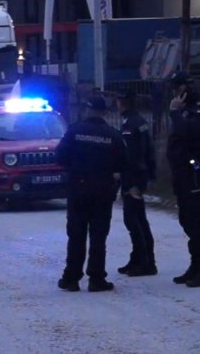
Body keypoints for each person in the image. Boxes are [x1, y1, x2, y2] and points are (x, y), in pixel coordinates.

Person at [56, 94, 127, 292]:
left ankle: (71, 278)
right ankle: (96, 279)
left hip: (78, 190)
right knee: (98, 236)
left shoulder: (74, 131)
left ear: (87, 110)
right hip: (103, 191)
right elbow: (124, 163)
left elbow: (60, 157)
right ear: (104, 112)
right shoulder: (113, 135)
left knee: (76, 235)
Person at [166, 71, 200, 288]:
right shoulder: (184, 109)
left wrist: (175, 113)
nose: (175, 94)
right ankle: (195, 264)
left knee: (199, 218)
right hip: (181, 170)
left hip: (195, 168)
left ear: (187, 87)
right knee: (186, 218)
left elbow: (189, 131)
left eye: (177, 89)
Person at [116, 90, 158, 277]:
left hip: (132, 177)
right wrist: (150, 174)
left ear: (123, 103)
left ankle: (145, 263)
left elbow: (132, 155)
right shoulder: (140, 122)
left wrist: (131, 181)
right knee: (139, 218)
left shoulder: (129, 125)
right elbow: (149, 150)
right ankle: (140, 258)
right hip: (140, 175)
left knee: (133, 219)